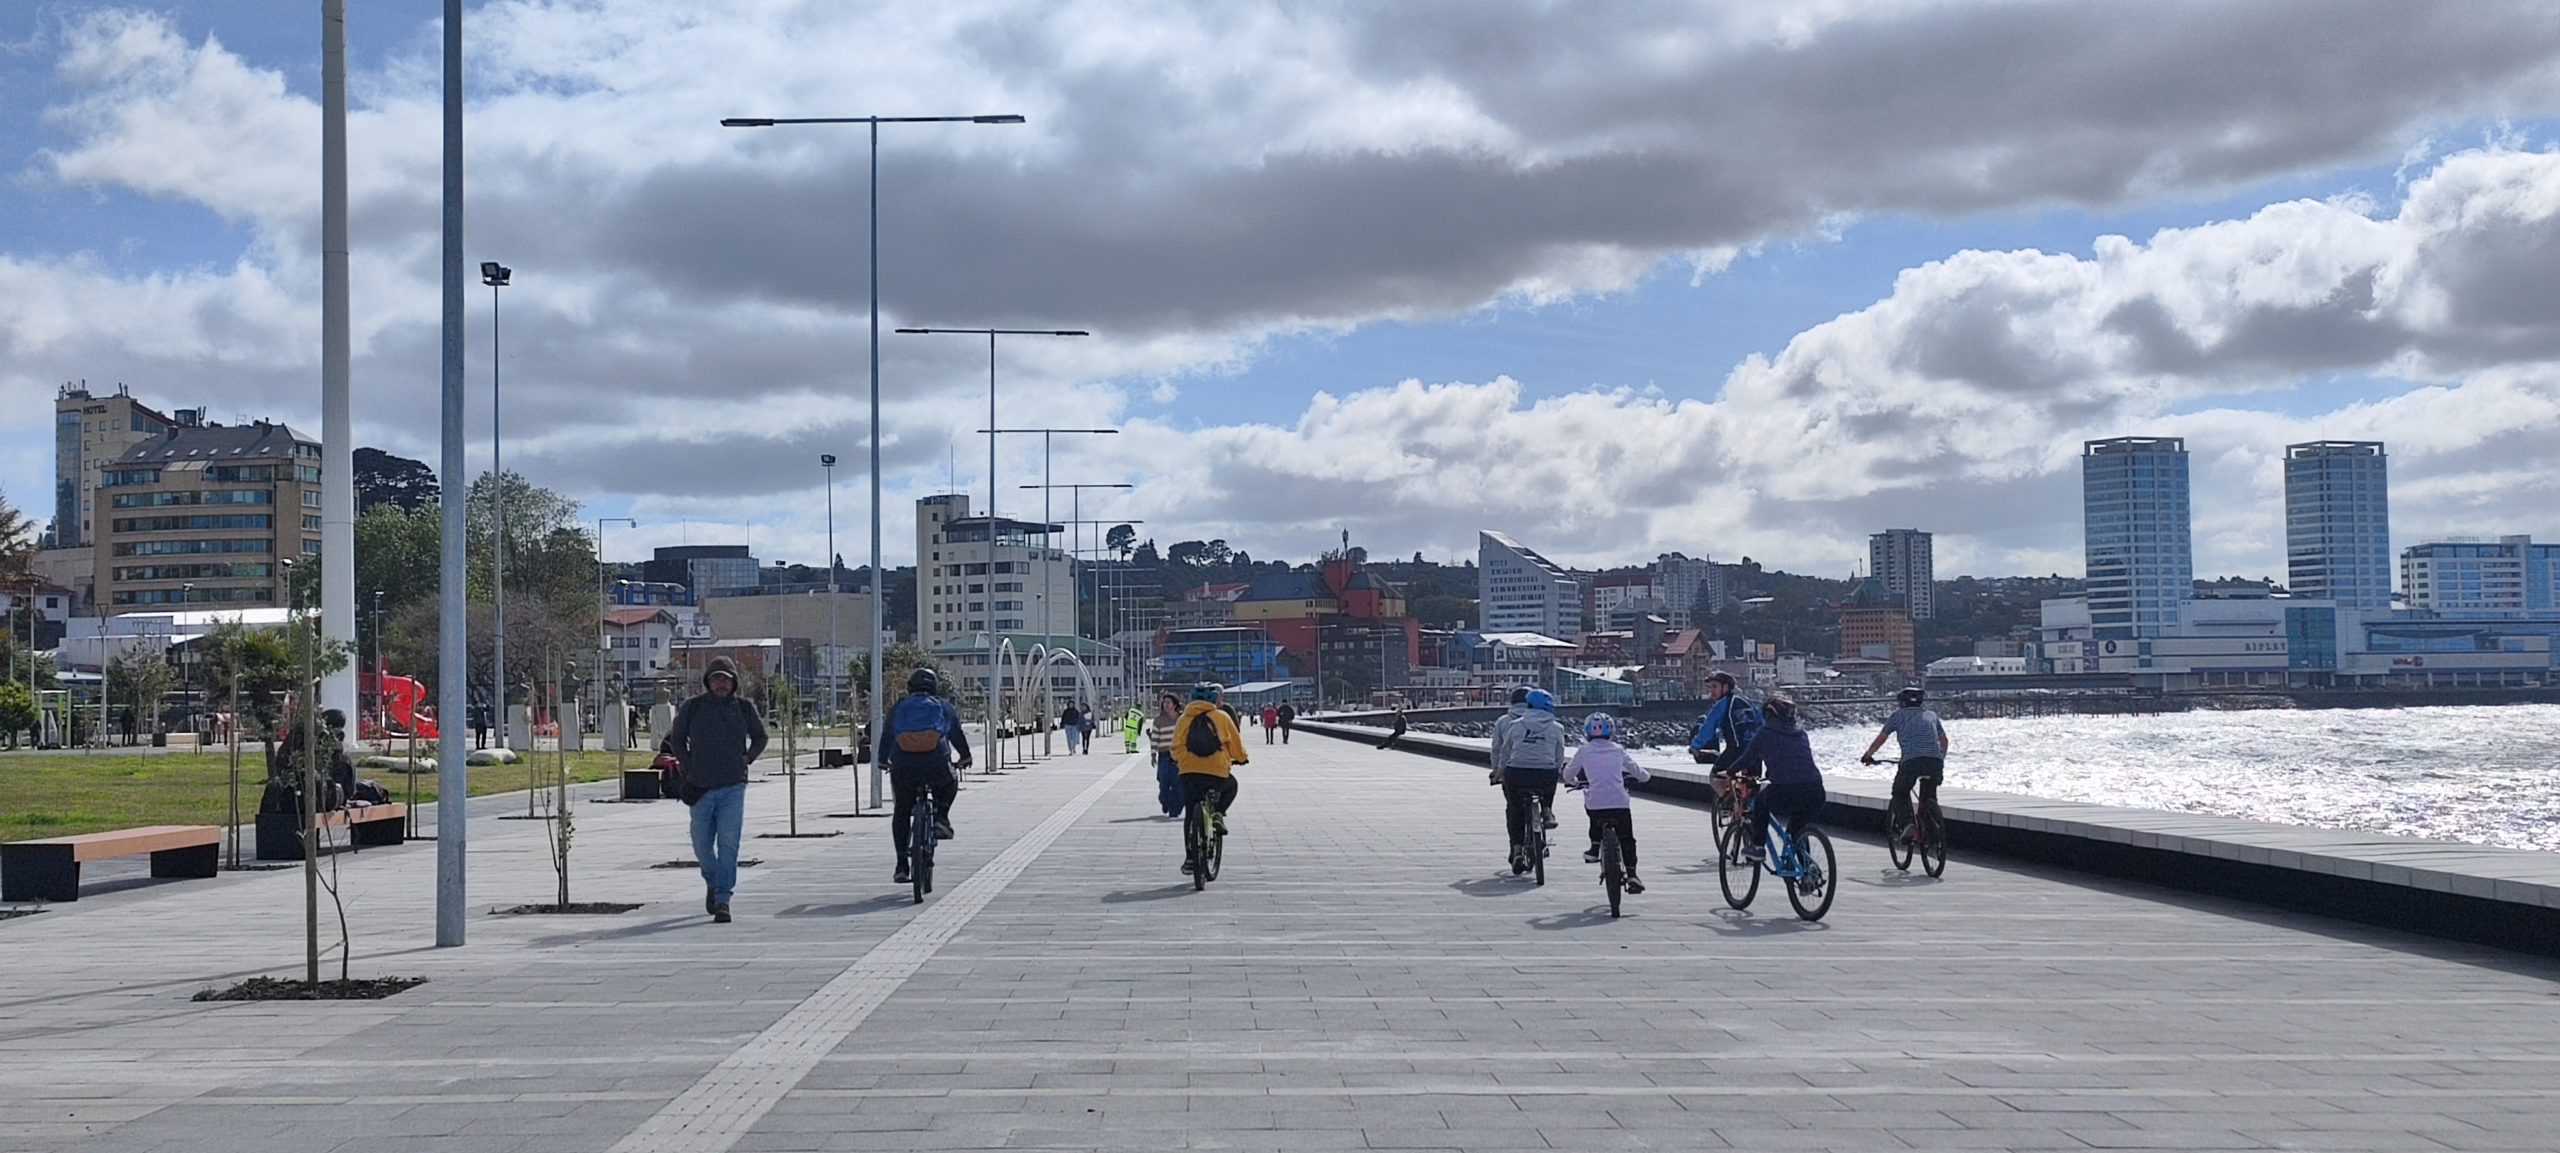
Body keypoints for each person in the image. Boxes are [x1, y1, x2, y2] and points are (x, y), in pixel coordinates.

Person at [658, 656, 769, 924]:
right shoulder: (693, 708)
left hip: (733, 786)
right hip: (700, 786)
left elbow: (761, 736)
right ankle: (712, 880)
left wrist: (749, 757)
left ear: (734, 682)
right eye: (716, 678)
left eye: (726, 678)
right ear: (708, 681)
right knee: (701, 844)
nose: (721, 683)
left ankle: (723, 899)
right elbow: (676, 740)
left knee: (729, 844)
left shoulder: (743, 708)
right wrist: (687, 765)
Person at [885, 668, 972, 886]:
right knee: (951, 782)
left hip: (903, 767)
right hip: (936, 765)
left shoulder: (900, 707)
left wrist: (881, 760)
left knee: (902, 810)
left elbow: (887, 734)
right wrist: (966, 756)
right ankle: (941, 817)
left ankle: (901, 865)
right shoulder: (942, 706)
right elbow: (956, 735)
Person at [1729, 694, 1824, 864]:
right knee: (1796, 831)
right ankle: (1807, 871)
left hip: (1786, 790)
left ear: (1768, 715)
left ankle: (1757, 847)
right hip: (1816, 791)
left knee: (1760, 802)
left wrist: (1729, 771)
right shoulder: (1801, 733)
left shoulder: (1765, 732)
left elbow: (1747, 758)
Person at [1562, 712, 1649, 894]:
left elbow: (1568, 775)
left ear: (1587, 732)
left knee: (1592, 808)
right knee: (1627, 837)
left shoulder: (1584, 750)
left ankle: (1595, 846)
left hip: (1596, 804)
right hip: (1620, 803)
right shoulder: (1618, 750)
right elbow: (1641, 774)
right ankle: (1632, 874)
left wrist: (1575, 782)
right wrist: (1643, 777)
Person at [1171, 682, 1248, 874]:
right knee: (1231, 786)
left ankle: (1190, 858)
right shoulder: (1222, 717)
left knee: (1190, 811)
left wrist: (1182, 761)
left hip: (1189, 773)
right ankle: (1218, 815)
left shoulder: (1183, 719)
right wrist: (1241, 759)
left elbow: (1175, 747)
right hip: (1216, 773)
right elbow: (1236, 746)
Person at [1489, 688, 1566, 874]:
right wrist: (1557, 770)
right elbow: (1559, 754)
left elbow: (1501, 750)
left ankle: (1516, 851)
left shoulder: (1511, 724)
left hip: (1516, 773)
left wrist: (1498, 771)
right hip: (1544, 776)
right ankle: (1547, 810)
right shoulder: (1557, 727)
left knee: (1514, 807)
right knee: (1549, 778)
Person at [1862, 687, 1950, 841]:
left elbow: (1882, 738)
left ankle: (1907, 824)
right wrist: (1940, 758)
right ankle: (1931, 826)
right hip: (1935, 761)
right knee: (1929, 794)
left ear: (1902, 703)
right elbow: (1944, 741)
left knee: (1900, 792)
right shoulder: (1932, 715)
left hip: (1912, 761)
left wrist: (1868, 755)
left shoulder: (1897, 716)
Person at [1688, 672, 1762, 773]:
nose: (1711, 691)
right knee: (1752, 783)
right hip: (1754, 753)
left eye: (1715, 686)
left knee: (1717, 775)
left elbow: (1708, 728)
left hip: (1735, 751)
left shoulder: (1722, 705)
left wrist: (1695, 746)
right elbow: (1761, 724)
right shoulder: (1746, 702)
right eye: (1710, 687)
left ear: (1726, 687)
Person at [1146, 691, 1185, 817]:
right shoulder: (1159, 720)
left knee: (1177, 783)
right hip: (1164, 755)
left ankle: (1175, 808)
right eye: (1164, 702)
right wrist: (1153, 755)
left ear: (1175, 704)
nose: (1166, 705)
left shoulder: (1182, 719)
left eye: (1169, 702)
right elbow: (1155, 739)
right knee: (1163, 782)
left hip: (1178, 756)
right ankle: (1165, 801)